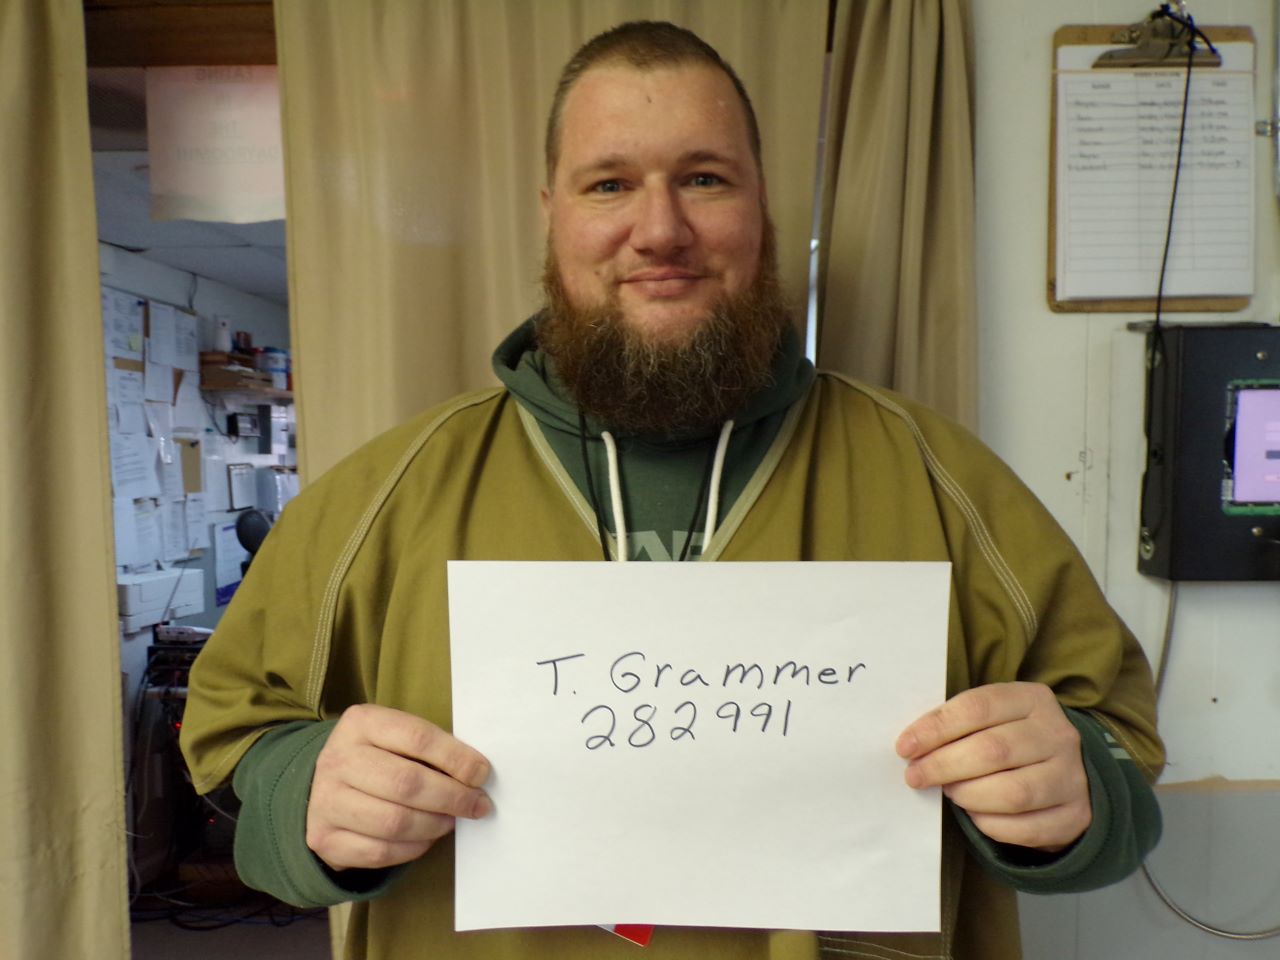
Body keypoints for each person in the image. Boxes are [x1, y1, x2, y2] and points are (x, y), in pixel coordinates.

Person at [180, 20, 1164, 960]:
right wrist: (304, 792)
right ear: (552, 214)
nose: (660, 229)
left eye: (703, 178)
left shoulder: (943, 481)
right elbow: (232, 739)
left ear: (762, 207)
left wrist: (1067, 793)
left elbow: (1117, 755)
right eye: (609, 183)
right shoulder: (383, 497)